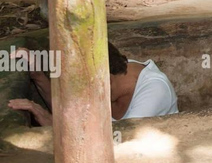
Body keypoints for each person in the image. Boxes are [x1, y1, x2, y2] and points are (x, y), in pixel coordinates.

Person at [8, 43, 178, 125]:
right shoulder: (111, 75)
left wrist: (50, 123)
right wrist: (38, 77)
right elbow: (72, 112)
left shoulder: (155, 90)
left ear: (103, 79)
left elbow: (118, 147)